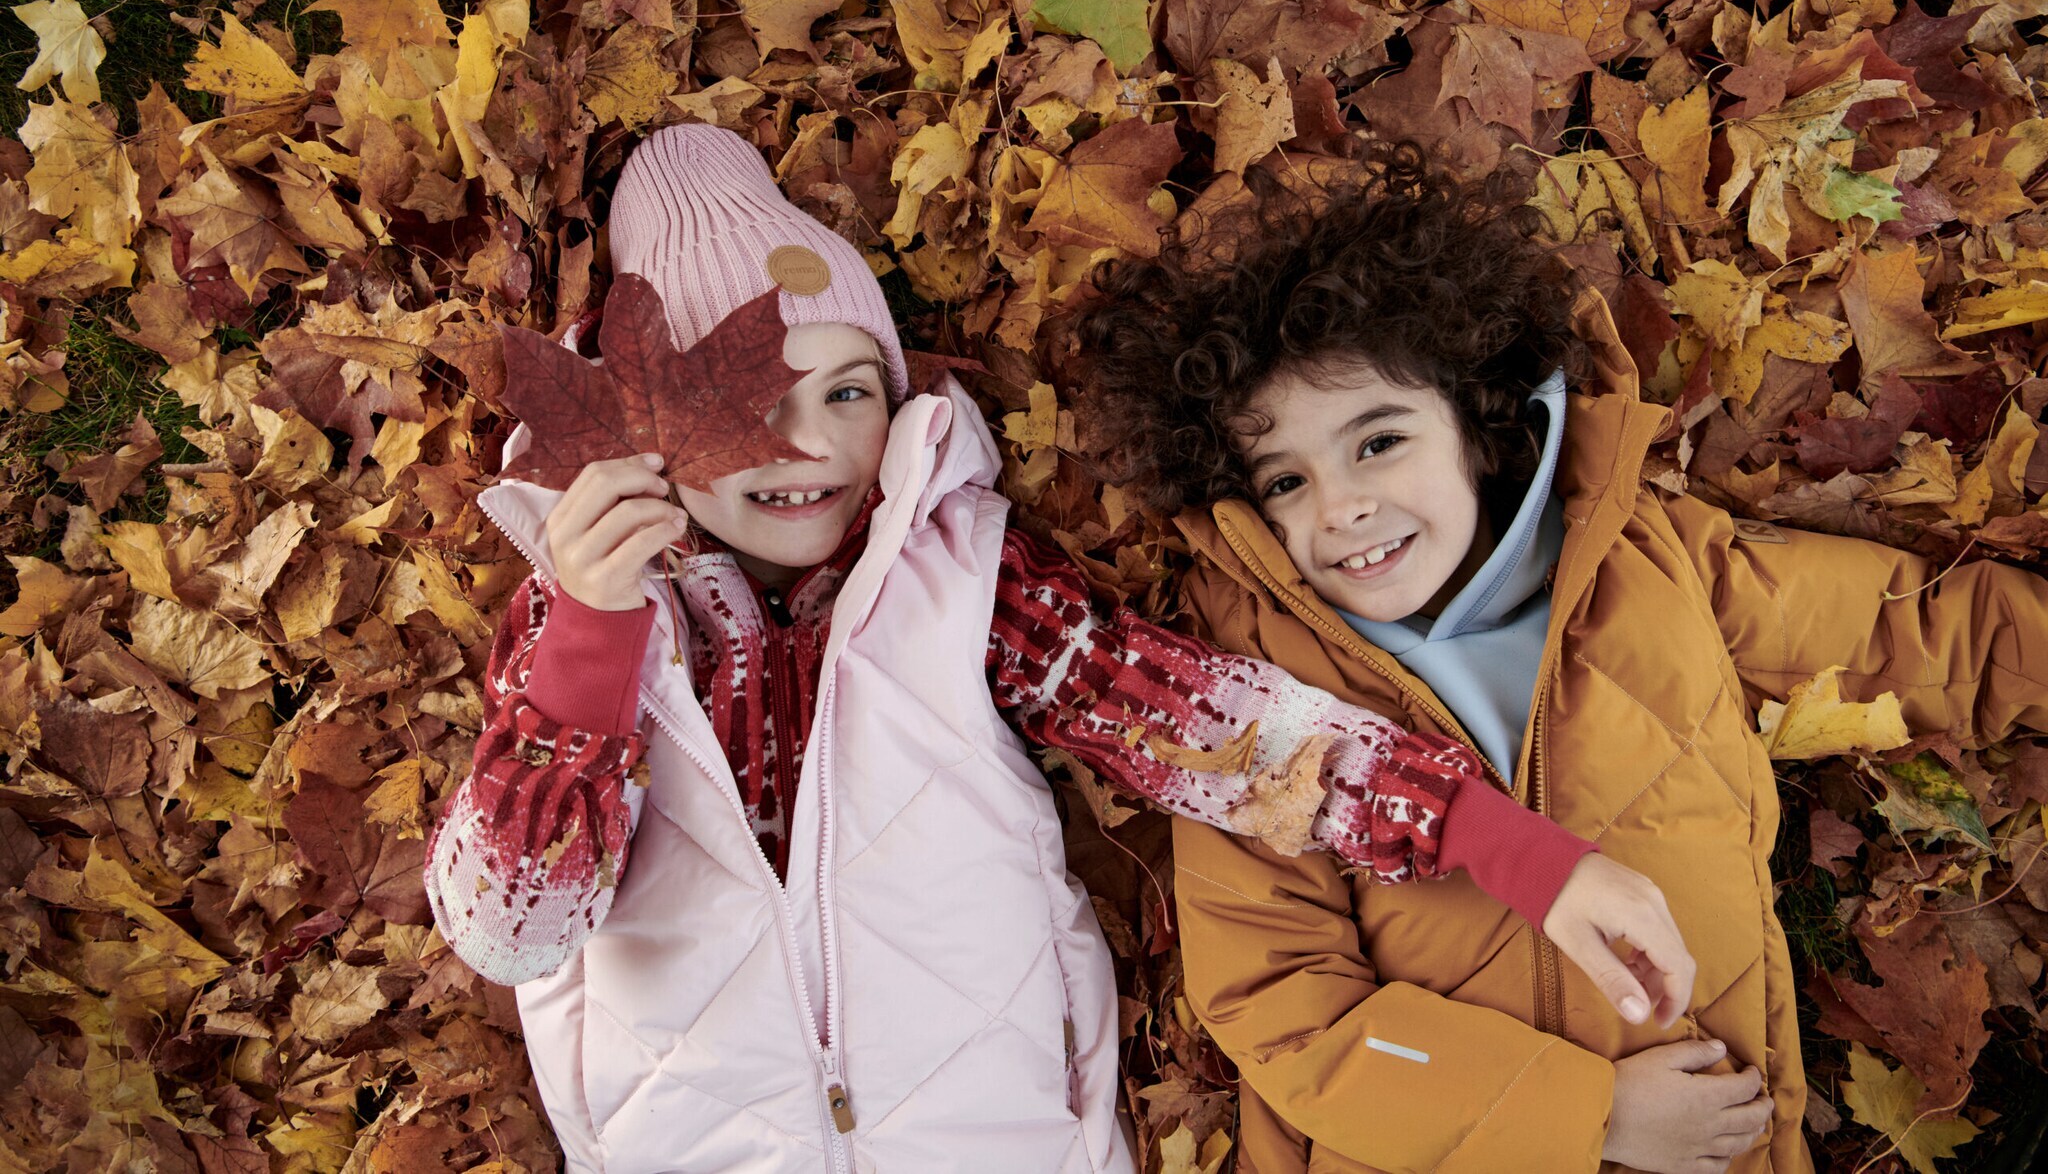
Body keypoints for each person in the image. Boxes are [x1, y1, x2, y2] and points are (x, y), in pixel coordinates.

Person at [424, 126, 1694, 1174]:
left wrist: (1510, 852)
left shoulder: (964, 579)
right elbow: (511, 929)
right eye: (748, 401)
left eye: (847, 392)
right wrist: (588, 638)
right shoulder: (580, 619)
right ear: (642, 427)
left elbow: (1210, 729)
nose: (804, 443)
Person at [1073, 142, 2048, 1174]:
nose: (1338, 507)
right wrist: (1583, 1114)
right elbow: (1282, 1009)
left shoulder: (1649, 564)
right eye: (1283, 481)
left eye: (1375, 442)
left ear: (1473, 423)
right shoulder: (1250, 705)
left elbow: (1915, 633)